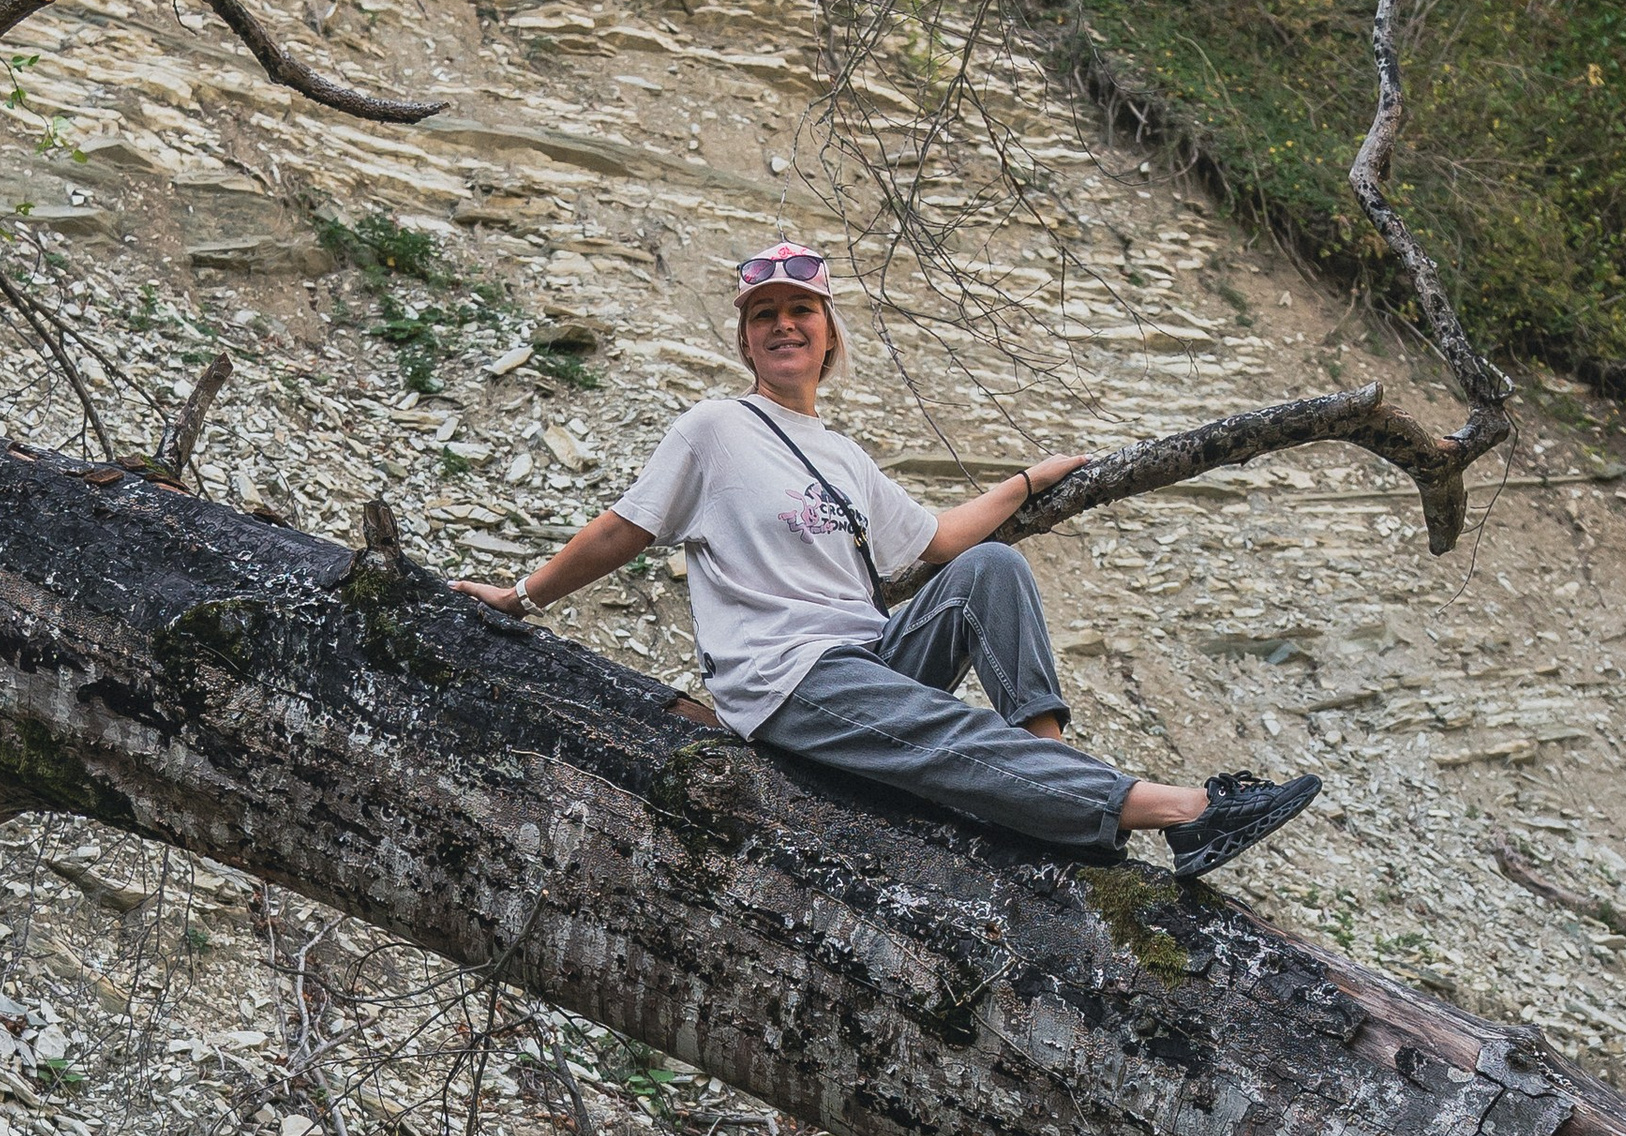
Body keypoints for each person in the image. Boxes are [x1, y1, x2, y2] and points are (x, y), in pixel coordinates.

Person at [457, 242, 1321, 878]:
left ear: (828, 335)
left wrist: (1026, 481)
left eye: (801, 312)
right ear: (746, 343)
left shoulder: (842, 457)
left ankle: (1049, 772)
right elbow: (625, 528)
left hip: (866, 654)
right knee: (952, 733)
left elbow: (940, 544)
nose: (784, 325)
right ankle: (1183, 812)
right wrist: (523, 596)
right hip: (787, 679)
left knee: (993, 572)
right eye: (765, 317)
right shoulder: (713, 430)